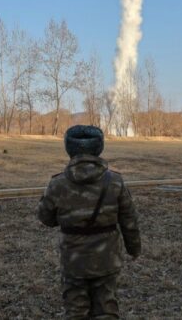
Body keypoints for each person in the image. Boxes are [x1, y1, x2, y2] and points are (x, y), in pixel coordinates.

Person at [37, 125, 141, 319]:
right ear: (99, 147)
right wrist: (134, 249)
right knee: (107, 309)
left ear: (68, 148)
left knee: (75, 311)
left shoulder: (58, 183)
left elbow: (45, 218)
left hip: (73, 259)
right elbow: (129, 221)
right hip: (107, 258)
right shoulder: (115, 182)